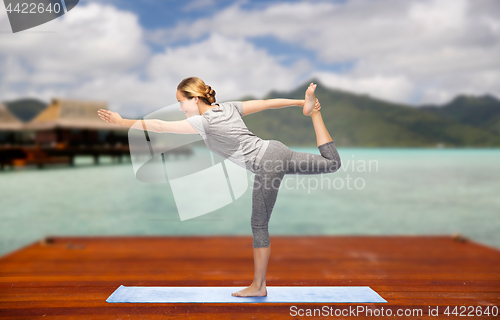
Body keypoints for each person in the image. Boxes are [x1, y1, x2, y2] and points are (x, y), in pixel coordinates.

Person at [98, 77, 341, 298]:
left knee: (259, 224)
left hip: (267, 161)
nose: (180, 108)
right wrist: (302, 102)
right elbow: (267, 103)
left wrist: (122, 122)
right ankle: (316, 116)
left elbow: (160, 126)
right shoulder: (229, 107)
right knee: (332, 164)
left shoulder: (203, 122)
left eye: (181, 102)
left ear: (194, 99)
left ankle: (259, 286)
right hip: (276, 150)